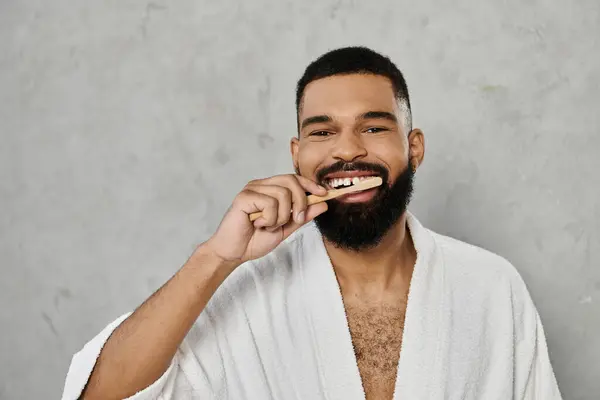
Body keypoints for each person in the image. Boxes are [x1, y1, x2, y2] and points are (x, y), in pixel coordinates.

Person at [61, 46, 562, 400]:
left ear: (414, 148)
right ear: (297, 156)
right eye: (323, 132)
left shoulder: (492, 286)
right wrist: (215, 258)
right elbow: (103, 395)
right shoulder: (237, 290)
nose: (348, 149)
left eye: (373, 127)